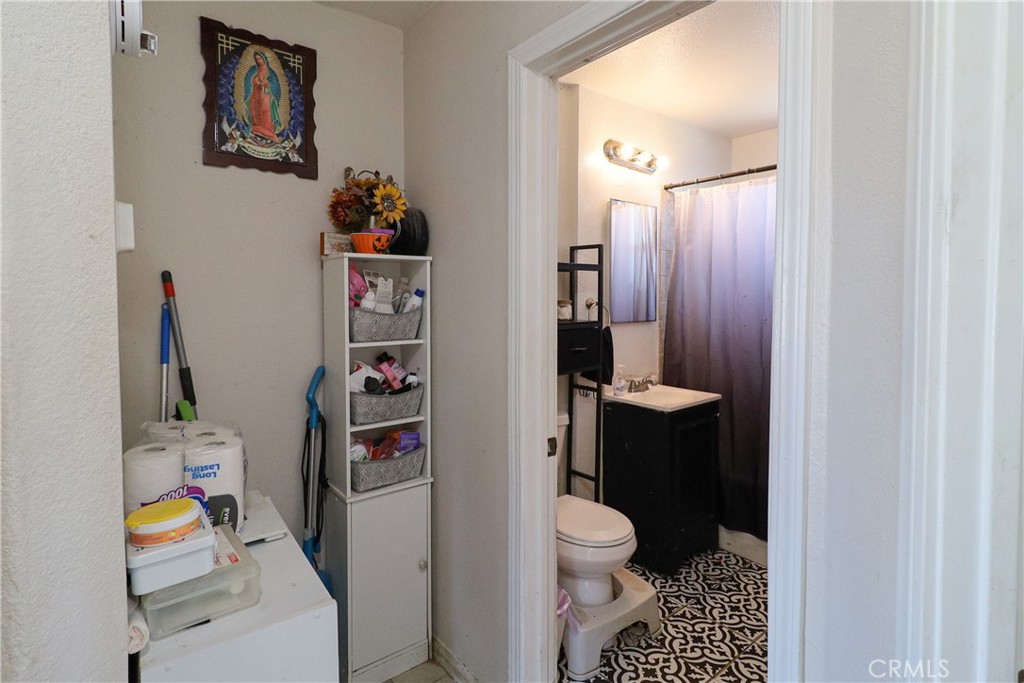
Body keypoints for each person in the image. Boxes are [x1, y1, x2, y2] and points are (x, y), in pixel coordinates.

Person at [244, 51, 281, 142]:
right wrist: (256, 82)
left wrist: (266, 83)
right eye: (256, 59)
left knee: (265, 113)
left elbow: (275, 85)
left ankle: (268, 132)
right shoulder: (254, 70)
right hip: (255, 95)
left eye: (260, 59)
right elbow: (249, 82)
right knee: (256, 113)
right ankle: (257, 131)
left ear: (264, 59)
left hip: (265, 95)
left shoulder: (270, 72)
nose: (258, 61)